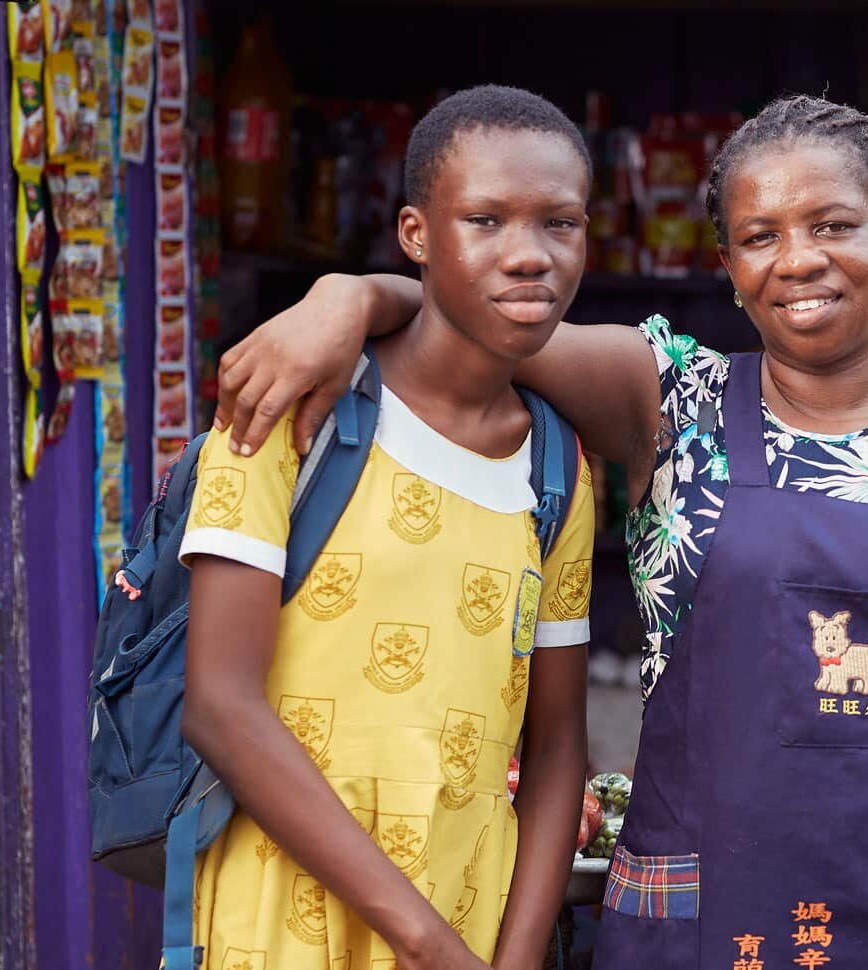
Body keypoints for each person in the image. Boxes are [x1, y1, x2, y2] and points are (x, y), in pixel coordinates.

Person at [213, 94, 868, 968]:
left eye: (831, 226)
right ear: (726, 265)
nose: (798, 259)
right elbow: (485, 306)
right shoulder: (665, 395)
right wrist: (347, 295)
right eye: (760, 237)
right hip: (695, 916)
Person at [178, 86, 596, 970]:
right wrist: (426, 946)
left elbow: (558, 752)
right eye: (485, 220)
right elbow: (220, 706)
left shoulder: (556, 469)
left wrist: (509, 961)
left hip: (474, 924)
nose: (529, 256)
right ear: (416, 236)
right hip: (282, 922)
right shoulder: (294, 413)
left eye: (560, 224)